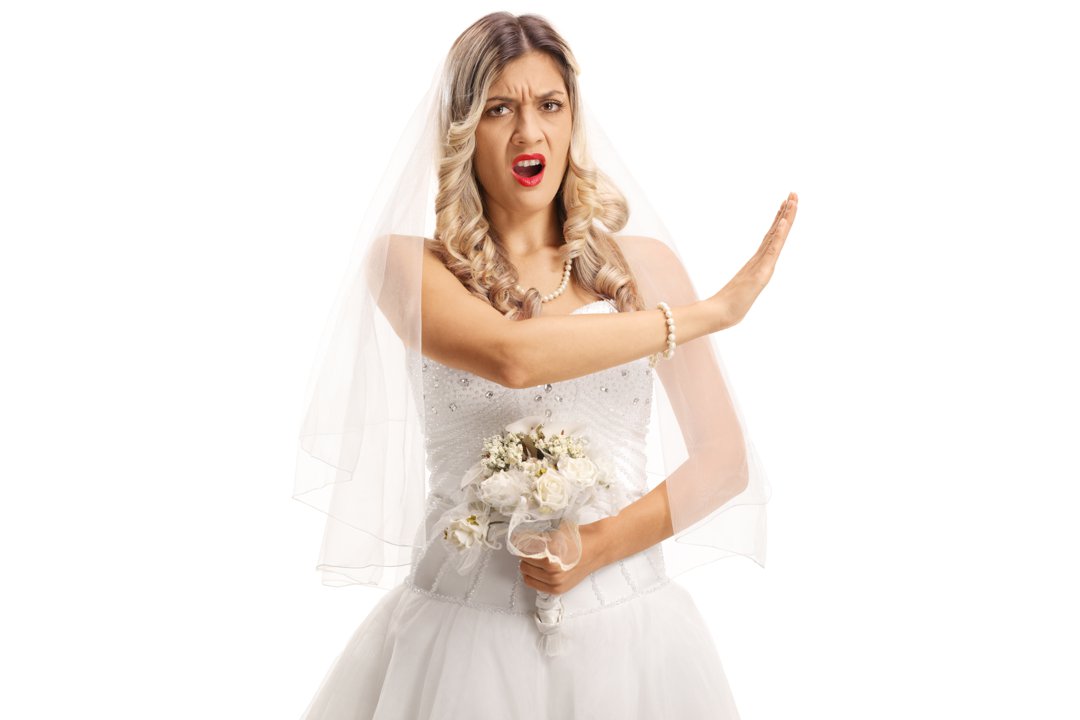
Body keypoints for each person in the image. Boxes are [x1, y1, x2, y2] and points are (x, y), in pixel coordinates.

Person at [294, 11, 798, 719]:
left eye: (549, 105)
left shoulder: (645, 267)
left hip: (629, 641)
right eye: (500, 108)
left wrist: (596, 547)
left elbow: (723, 462)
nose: (530, 132)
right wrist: (704, 316)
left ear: (572, 121)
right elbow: (513, 358)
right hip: (461, 641)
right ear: (463, 130)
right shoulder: (407, 266)